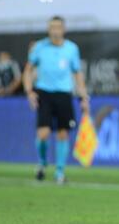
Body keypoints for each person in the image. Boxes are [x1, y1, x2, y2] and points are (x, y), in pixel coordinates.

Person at [23, 16, 89, 184]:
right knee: (43, 133)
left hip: (64, 94)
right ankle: (42, 162)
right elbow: (28, 70)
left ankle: (59, 171)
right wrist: (29, 91)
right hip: (43, 93)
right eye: (52, 27)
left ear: (63, 29)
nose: (55, 30)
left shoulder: (71, 48)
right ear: (48, 29)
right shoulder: (39, 47)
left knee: (62, 133)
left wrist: (83, 96)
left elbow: (77, 73)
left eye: (58, 27)